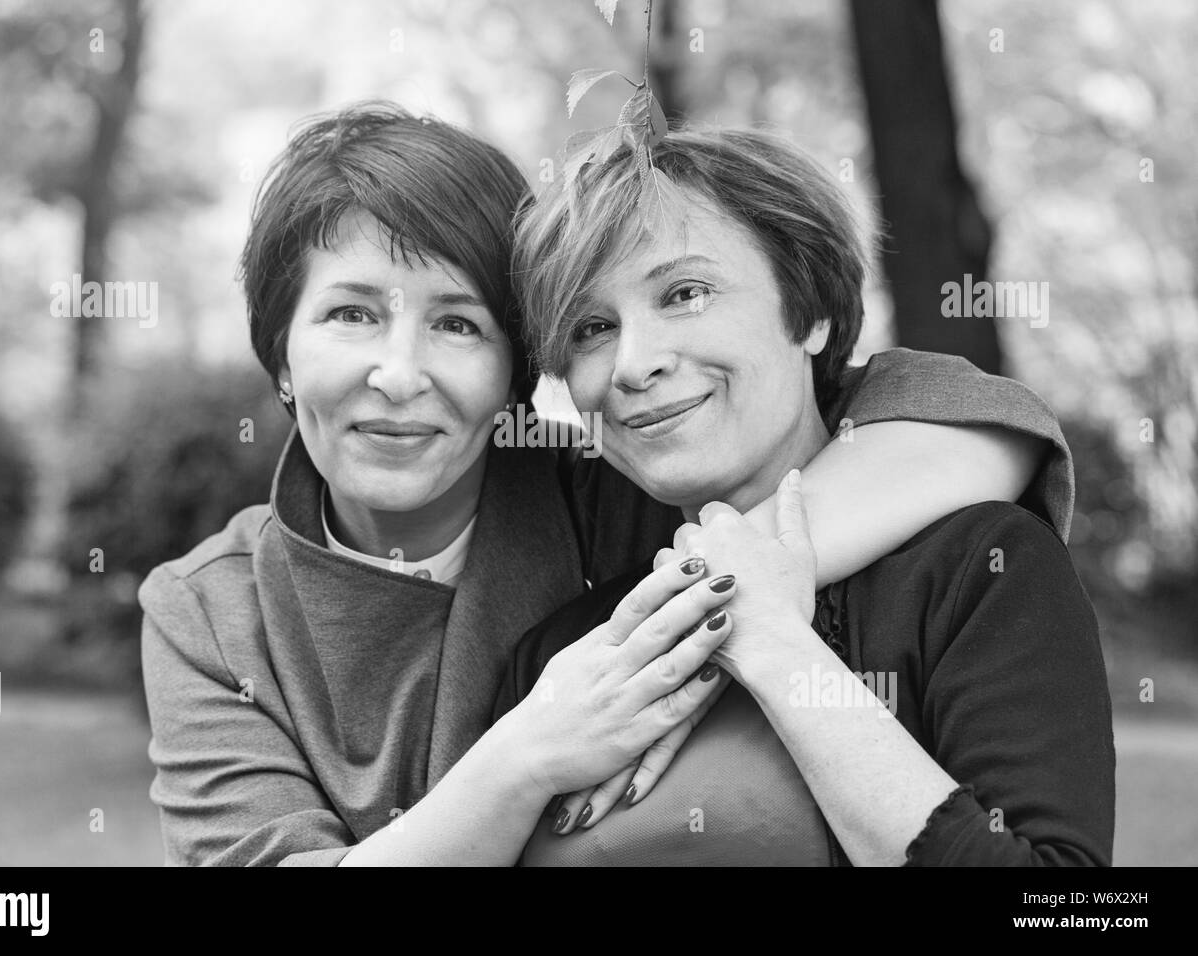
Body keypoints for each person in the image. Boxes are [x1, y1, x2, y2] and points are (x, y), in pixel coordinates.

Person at [139, 104, 1078, 866]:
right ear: (281, 355)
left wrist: (733, 585)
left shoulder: (620, 488)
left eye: (458, 325)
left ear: (515, 368)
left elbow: (977, 421)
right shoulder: (209, 612)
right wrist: (528, 753)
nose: (398, 373)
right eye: (349, 314)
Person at [496, 124, 1114, 865]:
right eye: (592, 328)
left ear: (811, 311)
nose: (633, 364)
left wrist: (778, 649)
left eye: (686, 293)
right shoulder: (565, 651)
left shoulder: (979, 570)